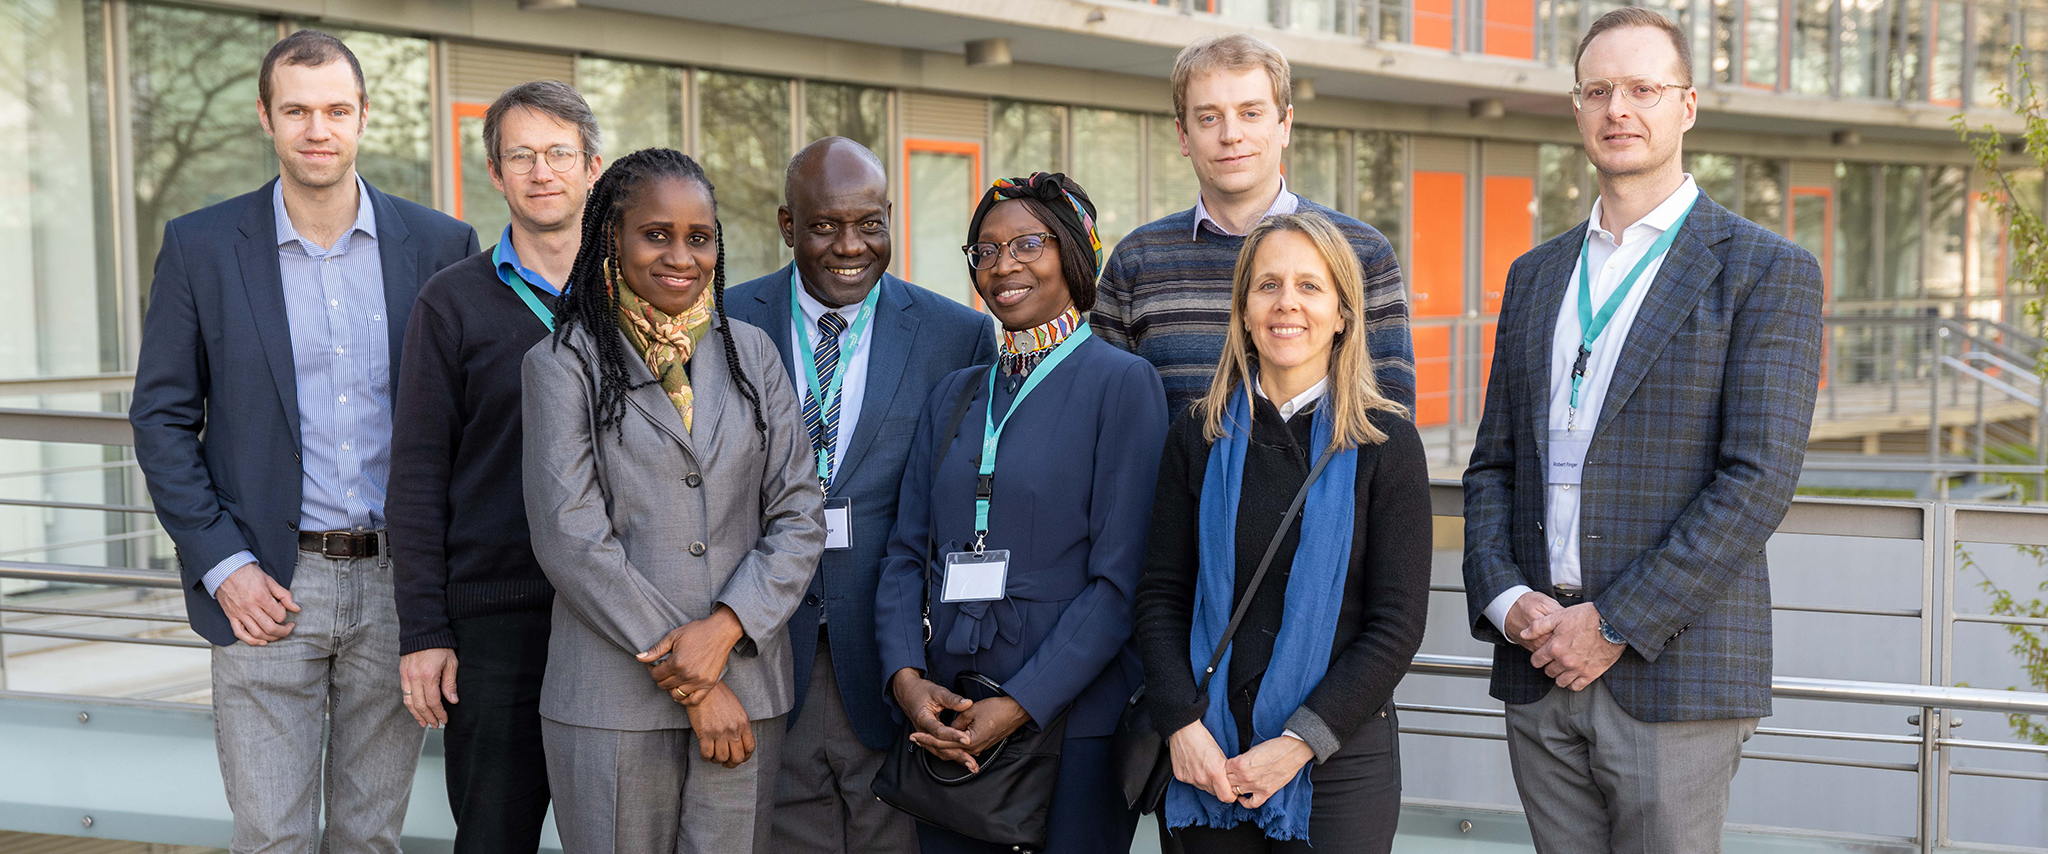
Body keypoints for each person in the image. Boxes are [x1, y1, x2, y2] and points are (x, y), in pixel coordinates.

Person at [1461, 9, 1824, 853]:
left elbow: (1757, 478)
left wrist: (1613, 621)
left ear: (1686, 106)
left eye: (1642, 89)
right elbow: (1493, 465)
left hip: (1673, 673)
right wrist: (1507, 598)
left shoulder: (1765, 271)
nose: (1618, 108)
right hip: (1539, 661)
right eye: (1598, 91)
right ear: (1578, 109)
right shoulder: (1536, 274)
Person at [128, 29, 478, 853]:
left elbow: (467, 430)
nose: (317, 129)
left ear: (362, 117)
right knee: (271, 838)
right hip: (265, 590)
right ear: (266, 117)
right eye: (296, 110)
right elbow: (162, 418)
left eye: (335, 110)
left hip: (402, 585)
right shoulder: (201, 246)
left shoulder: (440, 248)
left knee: (370, 839)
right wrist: (224, 564)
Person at [521, 147, 825, 854]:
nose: (680, 255)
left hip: (748, 689)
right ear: (612, 239)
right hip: (610, 702)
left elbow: (798, 514)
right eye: (656, 234)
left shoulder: (754, 356)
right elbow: (571, 539)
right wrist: (694, 683)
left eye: (699, 237)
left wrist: (724, 629)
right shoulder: (562, 363)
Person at [874, 172, 1167, 854]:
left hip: (1071, 727)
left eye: (1028, 244)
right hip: (946, 719)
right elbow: (904, 555)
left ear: (1073, 252)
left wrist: (1020, 704)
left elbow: (1120, 585)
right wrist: (907, 681)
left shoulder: (1124, 386)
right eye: (986, 250)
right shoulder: (953, 395)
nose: (1003, 265)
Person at [728, 136, 997, 854]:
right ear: (788, 226)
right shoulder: (725, 323)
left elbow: (967, 502)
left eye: (870, 222)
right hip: (760, 654)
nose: (851, 245)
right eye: (824, 226)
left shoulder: (958, 335)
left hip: (894, 663)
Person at [1134, 211, 1431, 854]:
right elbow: (1160, 595)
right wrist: (1180, 724)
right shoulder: (1197, 433)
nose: (1286, 303)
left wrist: (1299, 743)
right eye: (1267, 286)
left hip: (1338, 760)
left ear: (1344, 313)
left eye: (1310, 286)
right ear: (1242, 310)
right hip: (1208, 754)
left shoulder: (1387, 442)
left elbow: (1396, 625)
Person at [388, 80, 601, 853]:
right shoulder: (449, 303)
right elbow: (415, 475)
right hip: (494, 626)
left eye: (557, 154)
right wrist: (424, 630)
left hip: (622, 619)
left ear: (592, 168)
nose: (541, 172)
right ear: (495, 173)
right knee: (491, 839)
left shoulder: (639, 293)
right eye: (521, 155)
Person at [1093, 33, 1414, 419]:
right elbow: (1108, 420)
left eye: (1251, 113)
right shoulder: (1136, 261)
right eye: (1209, 117)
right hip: (1176, 482)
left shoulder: (1362, 252)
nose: (1231, 136)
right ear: (1183, 135)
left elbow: (1391, 421)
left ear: (1284, 125)